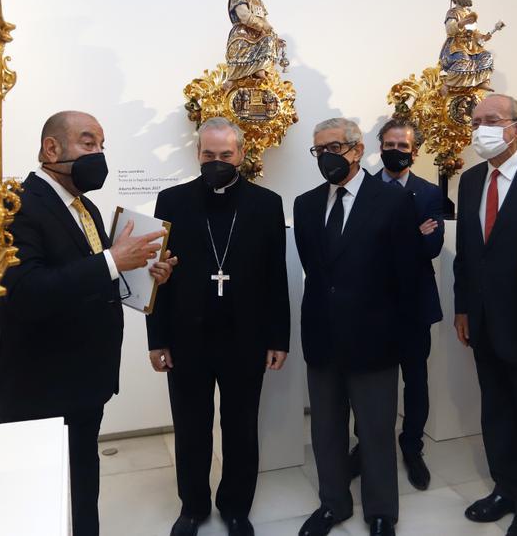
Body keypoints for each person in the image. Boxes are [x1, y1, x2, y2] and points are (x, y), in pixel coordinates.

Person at [0, 111, 175, 536]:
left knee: (83, 482)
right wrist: (111, 260)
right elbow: (23, 292)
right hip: (38, 388)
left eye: (102, 146)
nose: (99, 155)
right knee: (39, 499)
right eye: (89, 144)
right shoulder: (17, 206)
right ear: (52, 149)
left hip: (85, 383)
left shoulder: (84, 206)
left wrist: (142, 274)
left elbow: (93, 277)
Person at [147, 117, 290, 536]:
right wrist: (157, 339)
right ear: (197, 155)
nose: (217, 162)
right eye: (208, 155)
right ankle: (192, 507)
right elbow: (157, 277)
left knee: (241, 428)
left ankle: (235, 507)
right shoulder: (171, 201)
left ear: (242, 155)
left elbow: (276, 277)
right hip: (186, 337)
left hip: (245, 338)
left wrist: (277, 338)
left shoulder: (265, 203)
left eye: (225, 155)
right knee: (190, 427)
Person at [293, 118, 420, 536]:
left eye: (334, 147)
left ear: (356, 148)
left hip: (375, 340)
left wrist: (403, 339)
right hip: (323, 337)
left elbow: (408, 277)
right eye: (319, 150)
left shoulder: (392, 201)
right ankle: (333, 504)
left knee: (376, 430)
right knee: (326, 430)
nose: (327, 156)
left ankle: (381, 510)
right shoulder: (306, 204)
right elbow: (317, 271)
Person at [453, 94, 517, 536]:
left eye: (491, 121)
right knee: (494, 408)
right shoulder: (472, 179)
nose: (481, 129)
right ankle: (504, 487)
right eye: (476, 122)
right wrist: (462, 307)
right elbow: (468, 254)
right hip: (482, 318)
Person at [348, 119, 444, 491]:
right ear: (378, 147)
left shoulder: (429, 192)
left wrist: (393, 241)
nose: (395, 152)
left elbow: (431, 248)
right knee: (368, 381)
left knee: (415, 380)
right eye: (389, 144)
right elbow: (358, 250)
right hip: (371, 306)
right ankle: (366, 444)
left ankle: (412, 446)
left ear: (414, 151)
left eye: (403, 146)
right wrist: (410, 235)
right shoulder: (363, 189)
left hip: (414, 305)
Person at [225, 0, 286, 83]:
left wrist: (275, 37)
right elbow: (245, 16)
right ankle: (256, 69)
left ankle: (260, 69)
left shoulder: (258, 1)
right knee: (266, 39)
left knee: (269, 39)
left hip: (258, 37)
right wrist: (263, 26)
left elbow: (265, 21)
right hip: (242, 36)